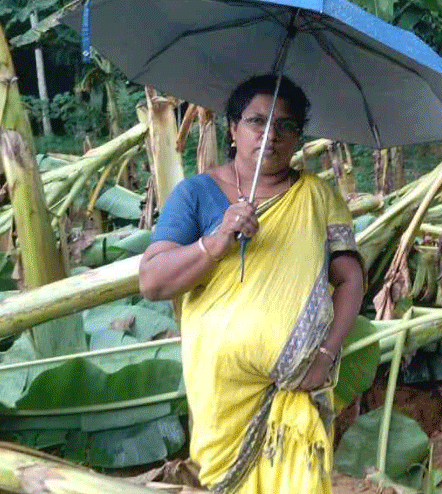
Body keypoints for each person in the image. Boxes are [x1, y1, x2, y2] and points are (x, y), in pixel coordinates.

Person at [139, 74, 364, 494]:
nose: (271, 135)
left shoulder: (317, 197)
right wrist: (216, 240)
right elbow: (152, 282)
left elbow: (350, 278)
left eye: (286, 125)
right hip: (219, 396)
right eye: (257, 121)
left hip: (297, 386)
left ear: (298, 136)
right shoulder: (197, 193)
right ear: (232, 127)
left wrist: (327, 354)